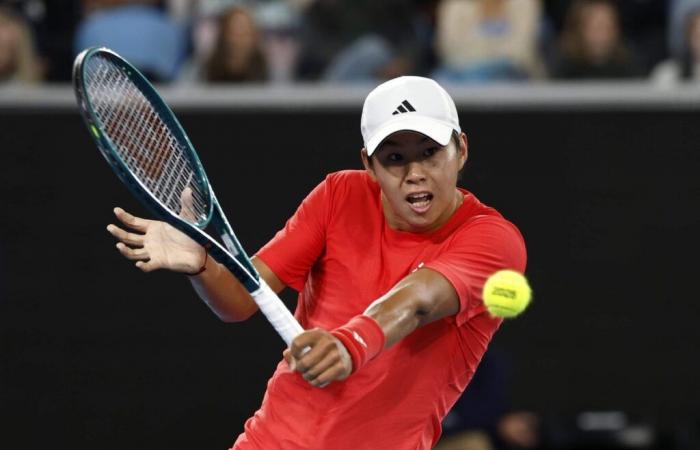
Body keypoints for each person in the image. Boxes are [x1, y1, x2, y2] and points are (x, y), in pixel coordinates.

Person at [106, 76, 527, 449]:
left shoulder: (494, 241)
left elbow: (416, 300)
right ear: (369, 165)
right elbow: (239, 300)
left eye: (431, 152)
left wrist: (349, 345)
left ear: (461, 150)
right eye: (394, 158)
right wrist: (203, 267)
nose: (415, 172)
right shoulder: (338, 195)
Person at [551, 0, 641, 80]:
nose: (602, 34)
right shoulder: (564, 66)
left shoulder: (627, 65)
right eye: (596, 27)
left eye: (608, 27)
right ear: (580, 29)